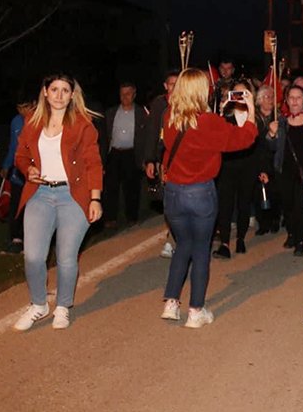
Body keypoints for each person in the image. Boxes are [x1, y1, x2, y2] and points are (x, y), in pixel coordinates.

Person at [159, 69, 257, 329]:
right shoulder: (209, 122)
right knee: (200, 250)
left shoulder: (169, 117)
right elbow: (243, 139)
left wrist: (220, 110)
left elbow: (192, 130)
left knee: (184, 245)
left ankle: (171, 301)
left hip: (174, 194)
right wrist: (250, 111)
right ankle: (195, 309)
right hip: (200, 193)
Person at [11, 74, 103, 330]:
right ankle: (39, 305)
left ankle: (63, 307)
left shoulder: (83, 125)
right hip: (40, 194)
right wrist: (28, 168)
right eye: (54, 89)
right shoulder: (32, 122)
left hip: (72, 196)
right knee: (32, 256)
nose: (59, 95)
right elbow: (20, 155)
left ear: (72, 95)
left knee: (65, 256)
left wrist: (95, 198)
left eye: (65, 90)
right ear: (45, 92)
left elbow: (93, 163)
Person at [212, 79, 260, 259]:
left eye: (244, 93)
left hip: (248, 166)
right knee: (225, 204)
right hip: (228, 166)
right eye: (237, 93)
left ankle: (240, 238)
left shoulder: (254, 116)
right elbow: (218, 135)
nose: (240, 97)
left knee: (244, 203)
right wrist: (222, 111)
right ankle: (224, 242)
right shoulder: (225, 115)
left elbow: (258, 141)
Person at [266, 85, 303, 256]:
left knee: (301, 207)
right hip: (284, 171)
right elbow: (272, 148)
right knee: (288, 205)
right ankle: (292, 233)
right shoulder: (281, 122)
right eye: (291, 97)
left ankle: (300, 241)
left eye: (298, 97)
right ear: (286, 100)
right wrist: (271, 135)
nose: (294, 101)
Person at [143, 69, 180, 258]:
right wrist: (150, 159)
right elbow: (151, 132)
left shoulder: (186, 103)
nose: (174, 87)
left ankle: (176, 238)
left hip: (182, 159)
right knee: (168, 200)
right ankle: (174, 235)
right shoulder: (159, 104)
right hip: (163, 158)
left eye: (177, 83)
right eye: (171, 84)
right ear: (166, 86)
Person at [102, 82, 148, 228]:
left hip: (132, 153)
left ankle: (132, 217)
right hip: (114, 153)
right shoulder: (111, 113)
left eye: (128, 93)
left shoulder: (141, 113)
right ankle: (110, 218)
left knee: (132, 187)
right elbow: (104, 136)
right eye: (122, 94)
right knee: (111, 187)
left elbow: (146, 137)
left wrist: (145, 159)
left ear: (134, 94)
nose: (125, 97)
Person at [0, 98, 36, 255]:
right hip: (18, 173)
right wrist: (6, 165)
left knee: (33, 208)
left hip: (36, 173)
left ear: (34, 104)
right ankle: (16, 240)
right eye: (19, 107)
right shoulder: (16, 121)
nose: (23, 111)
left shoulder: (41, 119)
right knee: (16, 206)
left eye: (26, 107)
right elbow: (13, 146)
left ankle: (32, 242)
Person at [253, 84, 281, 235]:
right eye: (266, 97)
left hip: (274, 159)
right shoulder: (254, 118)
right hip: (258, 158)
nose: (270, 100)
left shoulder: (278, 116)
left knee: (274, 191)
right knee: (259, 191)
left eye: (271, 97)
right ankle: (262, 222)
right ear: (259, 100)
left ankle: (275, 219)